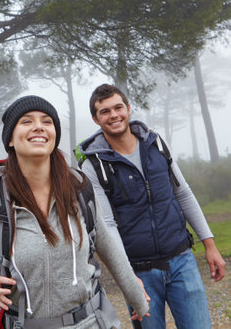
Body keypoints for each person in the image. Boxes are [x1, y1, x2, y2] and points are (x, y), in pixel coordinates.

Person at [0, 95, 149, 329]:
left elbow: (108, 247)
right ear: (11, 140)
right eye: (26, 121)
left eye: (47, 121)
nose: (38, 126)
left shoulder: (79, 189)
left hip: (90, 321)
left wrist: (137, 298)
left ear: (54, 135)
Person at [77, 84, 226, 329]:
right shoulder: (93, 166)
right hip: (139, 273)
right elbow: (108, 225)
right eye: (105, 111)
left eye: (118, 107)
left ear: (128, 108)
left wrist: (209, 244)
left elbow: (183, 193)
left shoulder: (156, 144)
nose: (114, 115)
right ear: (96, 118)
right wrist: (128, 280)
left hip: (182, 262)